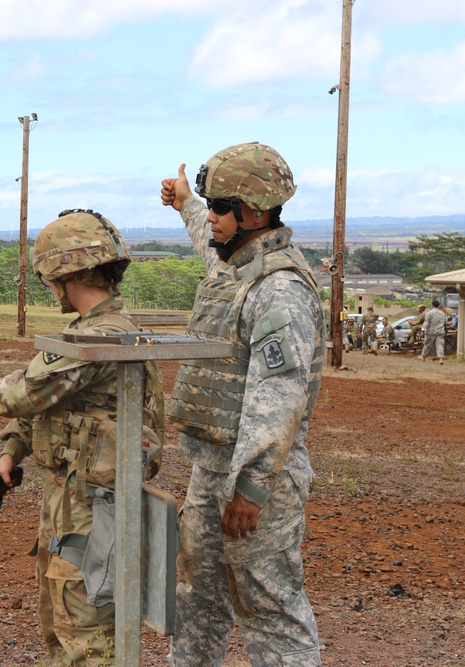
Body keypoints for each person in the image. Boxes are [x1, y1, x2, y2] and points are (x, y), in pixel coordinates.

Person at [0, 209, 165, 666]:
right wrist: (11, 453)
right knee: (58, 627)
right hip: (68, 501)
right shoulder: (85, 334)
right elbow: (54, 407)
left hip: (94, 511)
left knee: (85, 637)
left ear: (63, 273)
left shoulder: (104, 337)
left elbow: (28, 393)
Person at [160, 142, 323, 666]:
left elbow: (279, 398)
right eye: (208, 206)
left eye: (218, 208)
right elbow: (210, 246)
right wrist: (185, 203)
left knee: (269, 608)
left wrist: (250, 488)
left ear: (254, 212)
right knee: (197, 600)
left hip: (259, 482)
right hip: (212, 470)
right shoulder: (239, 263)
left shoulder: (279, 289)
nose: (210, 218)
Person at [420, 298, 447, 364]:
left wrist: (422, 331)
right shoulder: (443, 314)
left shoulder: (429, 313)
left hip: (431, 332)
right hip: (440, 331)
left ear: (432, 305)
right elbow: (445, 322)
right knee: (440, 345)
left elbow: (426, 323)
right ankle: (440, 358)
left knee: (427, 345)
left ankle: (423, 357)